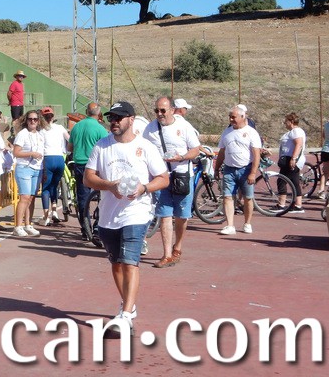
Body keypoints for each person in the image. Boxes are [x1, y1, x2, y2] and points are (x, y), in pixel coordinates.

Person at [83, 101, 169, 332]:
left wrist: (144, 188)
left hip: (136, 213)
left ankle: (126, 314)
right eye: (111, 118)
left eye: (119, 118)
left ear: (131, 119)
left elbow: (163, 178)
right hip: (108, 215)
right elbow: (88, 178)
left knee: (130, 262)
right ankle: (129, 304)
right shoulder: (102, 146)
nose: (114, 122)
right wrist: (109, 185)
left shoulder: (145, 147)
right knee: (116, 264)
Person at [142, 96, 201, 268]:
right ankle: (167, 254)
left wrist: (181, 157)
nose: (159, 114)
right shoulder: (150, 129)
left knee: (181, 216)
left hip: (182, 175)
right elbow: (143, 149)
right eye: (156, 110)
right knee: (164, 214)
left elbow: (195, 149)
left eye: (163, 110)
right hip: (161, 178)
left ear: (172, 110)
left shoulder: (184, 126)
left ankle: (178, 247)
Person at [213, 105, 262, 235]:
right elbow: (222, 152)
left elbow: (256, 154)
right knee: (227, 197)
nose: (231, 119)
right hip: (229, 169)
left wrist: (253, 173)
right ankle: (230, 225)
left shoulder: (251, 132)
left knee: (248, 198)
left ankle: (247, 223)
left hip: (246, 169)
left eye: (233, 117)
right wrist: (216, 168)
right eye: (230, 117)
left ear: (242, 116)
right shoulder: (226, 132)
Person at [68, 102, 108, 241]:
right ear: (99, 113)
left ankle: (85, 228)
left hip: (79, 164)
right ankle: (97, 227)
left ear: (86, 112)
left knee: (82, 198)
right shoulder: (100, 129)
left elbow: (70, 147)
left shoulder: (77, 126)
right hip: (95, 166)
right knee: (102, 195)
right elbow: (107, 148)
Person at [11, 110, 46, 237]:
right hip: (24, 168)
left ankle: (28, 224)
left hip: (37, 168)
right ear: (26, 120)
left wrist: (43, 169)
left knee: (31, 198)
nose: (32, 121)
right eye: (30, 119)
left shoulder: (40, 135)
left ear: (39, 121)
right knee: (24, 197)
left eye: (35, 119)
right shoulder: (22, 134)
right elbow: (16, 152)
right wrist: (31, 154)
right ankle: (18, 226)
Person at [38, 107, 70, 226]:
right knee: (54, 186)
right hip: (59, 158)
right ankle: (55, 211)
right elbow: (70, 139)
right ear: (53, 117)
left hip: (48, 159)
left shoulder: (41, 130)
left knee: (46, 188)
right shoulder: (60, 128)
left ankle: (46, 216)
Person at [276, 113, 306, 213]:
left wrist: (293, 158)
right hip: (290, 159)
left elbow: (299, 144)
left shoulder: (296, 131)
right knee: (294, 181)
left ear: (291, 121)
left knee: (282, 181)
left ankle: (282, 204)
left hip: (291, 159)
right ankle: (298, 205)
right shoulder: (293, 132)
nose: (284, 123)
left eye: (286, 121)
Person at [316, 108, 329, 199]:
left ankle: (321, 190)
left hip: (326, 150)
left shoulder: (327, 124)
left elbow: (324, 136)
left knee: (326, 172)